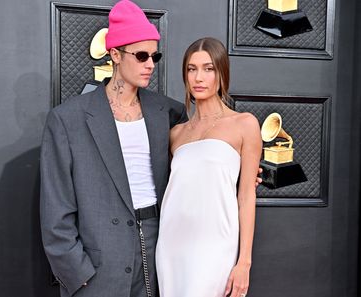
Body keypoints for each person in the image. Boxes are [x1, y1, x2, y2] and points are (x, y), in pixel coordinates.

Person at [39, 1, 187, 297]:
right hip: (98, 262)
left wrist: (242, 173)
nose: (150, 65)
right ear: (115, 54)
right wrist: (76, 272)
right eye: (141, 55)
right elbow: (55, 207)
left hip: (162, 252)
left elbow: (197, 166)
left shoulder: (169, 113)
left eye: (154, 56)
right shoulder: (68, 119)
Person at [155, 37, 262, 297]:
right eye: (191, 69)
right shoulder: (176, 133)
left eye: (208, 68)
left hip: (216, 244)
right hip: (172, 243)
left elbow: (246, 195)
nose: (198, 78)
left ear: (221, 73)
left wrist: (244, 261)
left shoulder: (244, 124)